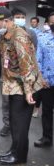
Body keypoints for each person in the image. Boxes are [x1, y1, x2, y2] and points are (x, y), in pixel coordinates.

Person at [0, 7, 43, 165]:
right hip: (14, 85)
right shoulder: (5, 36)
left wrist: (29, 90)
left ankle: (19, 156)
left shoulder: (19, 36)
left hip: (25, 87)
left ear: (5, 21)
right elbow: (0, 53)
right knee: (15, 121)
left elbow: (27, 64)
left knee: (20, 124)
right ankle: (14, 150)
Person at [0, 7, 38, 137]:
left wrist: (29, 85)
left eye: (22, 17)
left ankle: (16, 132)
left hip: (22, 78)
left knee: (19, 109)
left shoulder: (29, 34)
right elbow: (2, 51)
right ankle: (7, 125)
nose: (20, 19)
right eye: (18, 17)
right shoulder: (5, 34)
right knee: (6, 102)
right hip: (8, 76)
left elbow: (30, 57)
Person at [34, 12, 54, 148]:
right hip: (47, 83)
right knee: (46, 112)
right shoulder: (42, 38)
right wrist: (41, 78)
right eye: (52, 22)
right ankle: (46, 138)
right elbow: (38, 59)